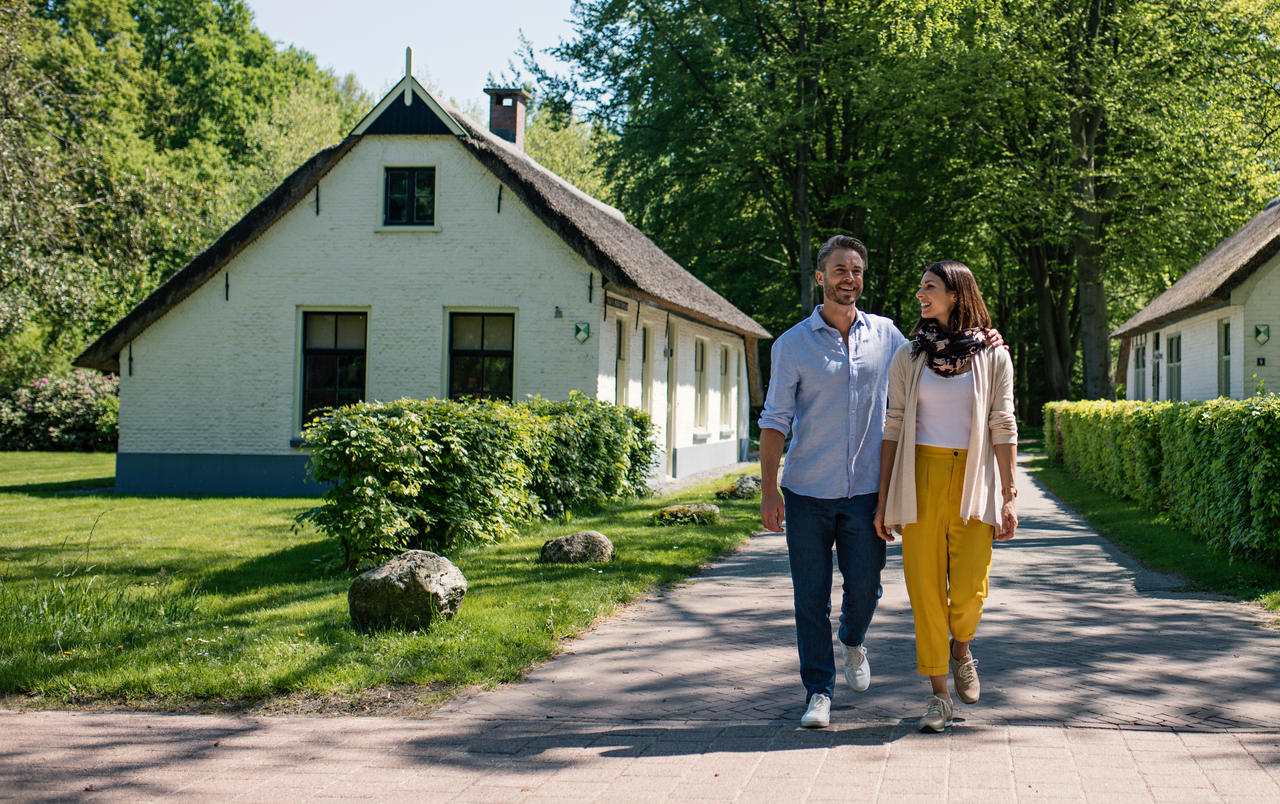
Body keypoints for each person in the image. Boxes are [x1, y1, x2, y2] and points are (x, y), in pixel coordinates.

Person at [758, 235, 908, 729]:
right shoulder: (791, 345)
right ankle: (818, 692)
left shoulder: (888, 336)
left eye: (857, 270)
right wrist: (768, 489)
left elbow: (932, 364)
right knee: (810, 598)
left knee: (865, 588)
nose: (850, 278)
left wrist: (984, 340)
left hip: (867, 492)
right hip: (806, 493)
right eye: (840, 270)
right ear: (820, 277)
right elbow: (775, 419)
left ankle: (853, 639)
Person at [873, 260, 1018, 733]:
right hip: (920, 479)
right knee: (925, 591)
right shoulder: (909, 357)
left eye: (930, 287)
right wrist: (884, 498)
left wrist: (1009, 495)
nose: (921, 294)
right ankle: (938, 697)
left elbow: (1003, 424)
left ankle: (961, 649)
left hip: (973, 477)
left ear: (956, 293)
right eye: (920, 287)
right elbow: (893, 425)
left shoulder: (993, 356)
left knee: (970, 590)